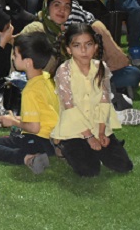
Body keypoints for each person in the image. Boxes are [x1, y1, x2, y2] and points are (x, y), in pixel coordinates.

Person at [19, 0, 140, 97]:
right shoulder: (37, 29)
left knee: (132, 74)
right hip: (46, 85)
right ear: (47, 6)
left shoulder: (64, 32)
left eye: (67, 7)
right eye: (57, 5)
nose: (62, 10)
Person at [52, 24, 133, 177]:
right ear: (69, 49)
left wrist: (101, 132)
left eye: (88, 45)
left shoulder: (100, 67)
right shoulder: (64, 71)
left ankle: (97, 150)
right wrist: (89, 137)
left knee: (124, 165)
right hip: (74, 130)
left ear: (95, 47)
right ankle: (62, 146)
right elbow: (69, 107)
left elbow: (104, 100)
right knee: (89, 171)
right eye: (77, 45)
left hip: (97, 125)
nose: (83, 50)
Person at [0, 33, 59, 174]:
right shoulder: (47, 78)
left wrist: (13, 121)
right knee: (12, 138)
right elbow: (45, 114)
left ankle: (28, 158)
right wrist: (17, 118)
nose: (12, 57)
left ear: (28, 62)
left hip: (37, 140)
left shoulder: (30, 90)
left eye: (16, 55)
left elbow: (34, 128)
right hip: (53, 140)